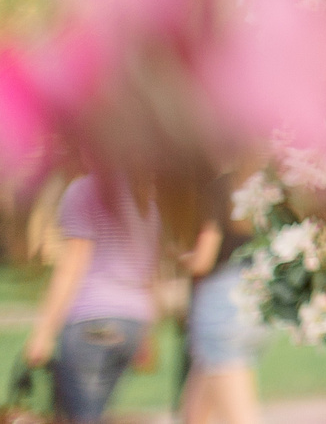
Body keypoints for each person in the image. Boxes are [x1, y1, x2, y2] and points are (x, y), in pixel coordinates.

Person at [26, 174, 163, 424]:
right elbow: (149, 273)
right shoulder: (145, 197)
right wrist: (145, 335)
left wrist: (43, 332)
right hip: (131, 324)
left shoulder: (84, 190)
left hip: (91, 321)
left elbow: (73, 263)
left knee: (80, 416)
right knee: (92, 414)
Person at [181, 185, 261, 424]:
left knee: (240, 416)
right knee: (195, 414)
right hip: (251, 295)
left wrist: (179, 258)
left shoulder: (215, 189)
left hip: (221, 302)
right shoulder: (251, 189)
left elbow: (203, 260)